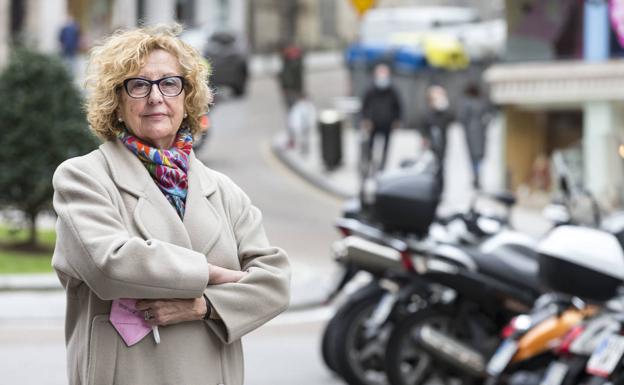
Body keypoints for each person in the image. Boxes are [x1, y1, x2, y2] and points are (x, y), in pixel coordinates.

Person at [51, 24, 290, 385]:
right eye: (138, 85)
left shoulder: (222, 189)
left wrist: (203, 306)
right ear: (115, 102)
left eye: (169, 83)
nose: (155, 97)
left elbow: (274, 283)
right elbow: (110, 265)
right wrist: (210, 274)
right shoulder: (83, 177)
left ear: (187, 96)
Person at [360, 63, 402, 172]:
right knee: (370, 145)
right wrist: (366, 120)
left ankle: (383, 166)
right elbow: (365, 106)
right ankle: (369, 164)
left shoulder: (392, 90)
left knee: (386, 146)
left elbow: (398, 106)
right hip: (373, 124)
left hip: (387, 124)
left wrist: (397, 120)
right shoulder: (370, 90)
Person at [458, 83, 494, 189]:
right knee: (478, 156)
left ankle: (476, 177)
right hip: (480, 131)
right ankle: (477, 176)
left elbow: (462, 118)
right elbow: (490, 115)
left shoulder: (467, 103)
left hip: (471, 131)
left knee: (473, 157)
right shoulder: (481, 103)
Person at [420, 85, 455, 171]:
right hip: (431, 146)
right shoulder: (427, 114)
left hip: (442, 145)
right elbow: (423, 127)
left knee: (441, 166)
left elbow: (451, 118)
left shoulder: (445, 114)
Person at [287, 91, 317, 156]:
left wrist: (311, 123)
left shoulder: (308, 105)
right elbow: (295, 117)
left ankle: (305, 149)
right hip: (301, 126)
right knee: (302, 138)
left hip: (306, 125)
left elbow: (312, 115)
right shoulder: (299, 106)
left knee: (305, 138)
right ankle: (303, 150)